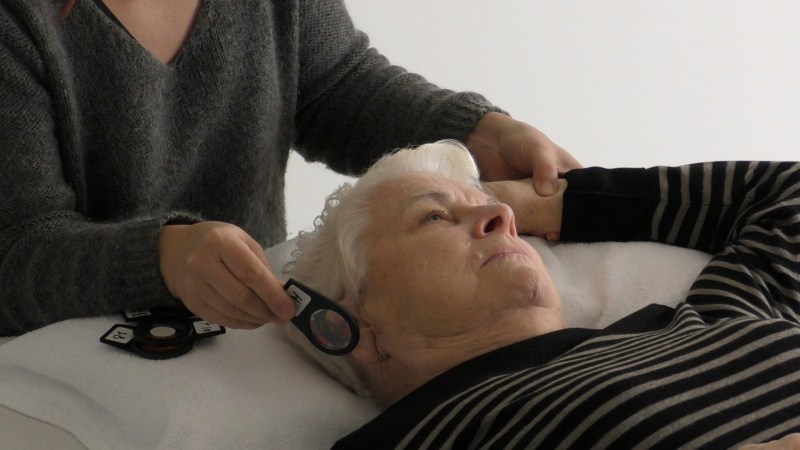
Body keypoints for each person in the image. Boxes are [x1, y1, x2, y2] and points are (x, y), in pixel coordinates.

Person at [0, 0, 580, 335]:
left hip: (241, 337)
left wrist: (481, 132)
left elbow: (336, 86)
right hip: (60, 371)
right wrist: (159, 258)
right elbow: (14, 253)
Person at [284, 140, 800, 448]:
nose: (503, 217)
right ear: (352, 320)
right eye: (434, 216)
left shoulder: (703, 320)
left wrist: (553, 203)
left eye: (498, 210)